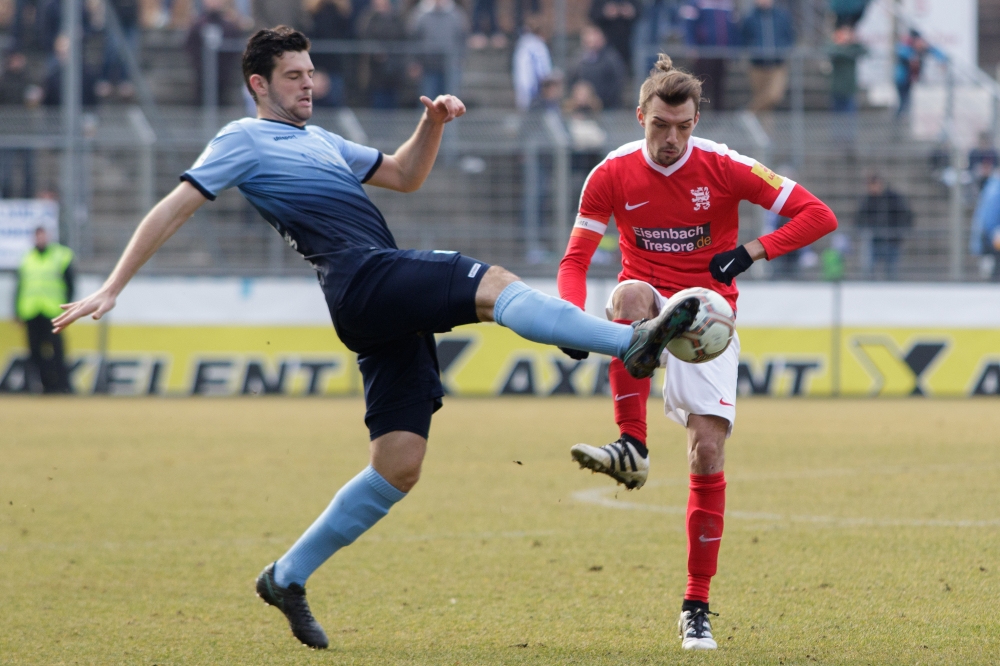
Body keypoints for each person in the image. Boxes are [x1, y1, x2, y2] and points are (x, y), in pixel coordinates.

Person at [52, 27, 701, 650]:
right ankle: (629, 343)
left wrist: (434, 125)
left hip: (375, 301)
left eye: (310, 72)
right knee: (492, 282)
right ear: (259, 83)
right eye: (294, 76)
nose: (310, 83)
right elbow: (174, 205)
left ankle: (285, 577)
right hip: (362, 278)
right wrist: (113, 286)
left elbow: (402, 174)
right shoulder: (243, 139)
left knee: (399, 464)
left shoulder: (322, 139)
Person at [556, 54, 837, 651]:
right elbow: (575, 261)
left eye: (683, 127)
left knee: (707, 452)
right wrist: (573, 320)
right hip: (647, 302)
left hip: (708, 318)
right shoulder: (610, 173)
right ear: (640, 117)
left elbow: (819, 215)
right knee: (630, 291)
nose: (671, 139)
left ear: (696, 121)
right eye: (660, 125)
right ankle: (630, 443)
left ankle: (696, 605)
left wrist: (753, 251)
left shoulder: (725, 165)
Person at [16, 226, 75, 394]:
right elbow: (20, 287)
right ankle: (42, 385)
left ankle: (62, 386)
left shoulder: (60, 256)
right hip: (31, 311)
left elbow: (70, 284)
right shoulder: (26, 258)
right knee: (35, 351)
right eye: (37, 236)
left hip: (53, 311)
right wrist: (18, 312)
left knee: (57, 351)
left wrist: (68, 307)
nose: (40, 239)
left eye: (43, 236)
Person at [679, 0, 738, 111]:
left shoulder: (728, 4)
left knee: (719, 89)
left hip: (722, 54)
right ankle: (696, 117)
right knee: (700, 88)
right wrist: (691, 46)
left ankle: (718, 120)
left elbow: (733, 29)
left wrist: (732, 50)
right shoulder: (696, 3)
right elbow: (689, 25)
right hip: (703, 54)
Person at [854, 173, 912, 280]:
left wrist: (898, 232)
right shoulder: (867, 200)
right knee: (869, 270)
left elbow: (905, 215)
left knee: (891, 270)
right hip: (874, 240)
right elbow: (859, 218)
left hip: (892, 240)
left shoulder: (894, 198)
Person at [409, 0, 468, 102]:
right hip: (428, 66)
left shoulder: (456, 15)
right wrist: (415, 62)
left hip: (450, 66)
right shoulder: (421, 15)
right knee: (428, 102)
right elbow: (414, 39)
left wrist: (461, 58)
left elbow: (462, 39)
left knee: (450, 103)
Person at [741, 0, 794, 113]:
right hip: (758, 65)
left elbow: (789, 36)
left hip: (777, 64)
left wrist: (783, 48)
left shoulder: (782, 16)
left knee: (774, 95)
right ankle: (765, 130)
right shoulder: (750, 17)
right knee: (765, 107)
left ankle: (748, 113)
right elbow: (744, 38)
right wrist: (753, 49)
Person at [568, 24, 627, 110]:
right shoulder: (578, 59)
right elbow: (572, 80)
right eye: (588, 36)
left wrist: (598, 99)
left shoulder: (611, 59)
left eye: (594, 35)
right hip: (582, 108)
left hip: (607, 108)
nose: (591, 39)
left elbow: (617, 83)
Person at [894, 30, 946, 118]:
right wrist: (913, 55)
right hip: (901, 78)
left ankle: (901, 118)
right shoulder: (906, 46)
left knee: (906, 100)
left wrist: (942, 60)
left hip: (908, 78)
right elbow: (903, 53)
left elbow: (935, 51)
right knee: (903, 100)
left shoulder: (919, 46)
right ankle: (899, 119)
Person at [512, 12, 551, 110]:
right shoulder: (538, 46)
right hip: (536, 92)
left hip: (523, 91)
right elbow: (544, 72)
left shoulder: (522, 44)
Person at [588, 0, 641, 66]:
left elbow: (641, 11)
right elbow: (592, 14)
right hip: (607, 40)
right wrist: (605, 12)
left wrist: (631, 11)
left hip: (629, 39)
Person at [970, 168, 1000, 281]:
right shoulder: (995, 188)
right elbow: (991, 215)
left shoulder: (992, 185)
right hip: (992, 233)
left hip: (987, 232)